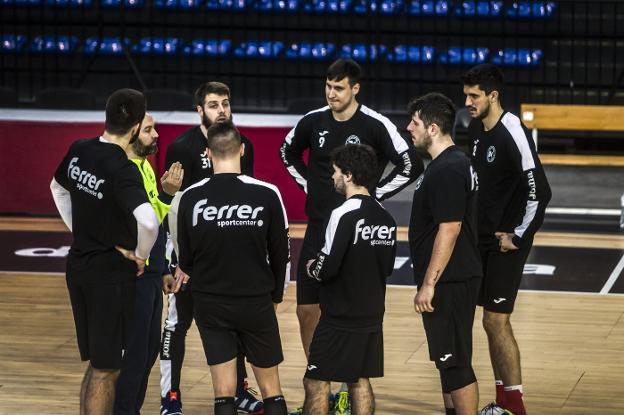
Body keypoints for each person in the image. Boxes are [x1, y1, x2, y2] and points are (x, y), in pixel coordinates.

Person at [280, 58, 422, 414]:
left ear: (355, 88)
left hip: (357, 234)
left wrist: (375, 196)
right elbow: (287, 152)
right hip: (318, 229)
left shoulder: (375, 124)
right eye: (327, 86)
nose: (331, 94)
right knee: (307, 311)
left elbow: (411, 164)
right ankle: (320, 388)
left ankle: (347, 388)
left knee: (349, 313)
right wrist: (309, 185)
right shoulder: (313, 120)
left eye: (339, 88)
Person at [49, 88, 159, 414]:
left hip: (78, 266)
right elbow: (149, 221)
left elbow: (57, 187)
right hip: (109, 277)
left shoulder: (80, 149)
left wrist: (79, 230)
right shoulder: (123, 169)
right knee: (107, 369)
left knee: (99, 362)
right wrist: (141, 253)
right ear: (137, 126)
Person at [168, 121, 290, 415]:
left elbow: (186, 259)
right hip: (256, 302)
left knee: (223, 393)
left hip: (211, 304)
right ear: (242, 150)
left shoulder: (190, 197)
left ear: (208, 153)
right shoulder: (268, 194)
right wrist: (276, 298)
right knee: (271, 390)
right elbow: (282, 256)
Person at [160, 81, 260, 415]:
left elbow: (245, 199)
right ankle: (170, 396)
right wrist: (174, 260)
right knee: (178, 324)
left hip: (228, 256)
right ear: (199, 110)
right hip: (188, 257)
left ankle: (241, 391)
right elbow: (172, 209)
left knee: (237, 322)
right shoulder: (181, 148)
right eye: (214, 104)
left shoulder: (242, 145)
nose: (222, 110)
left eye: (226, 103)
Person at [462, 64, 551, 415]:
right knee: (487, 320)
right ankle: (502, 403)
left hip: (506, 242)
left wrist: (519, 234)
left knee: (496, 320)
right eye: (466, 94)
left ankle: (515, 407)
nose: (467, 101)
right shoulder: (475, 128)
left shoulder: (512, 129)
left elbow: (539, 190)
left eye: (474, 96)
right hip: (481, 239)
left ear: (493, 95)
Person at [303, 144, 396, 415]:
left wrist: (311, 267)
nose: (332, 177)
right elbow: (387, 267)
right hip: (372, 314)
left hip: (339, 317)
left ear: (349, 175)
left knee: (316, 381)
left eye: (335, 172)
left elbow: (327, 267)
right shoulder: (386, 217)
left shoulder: (343, 213)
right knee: (359, 380)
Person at [407, 92, 482, 415]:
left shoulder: (448, 169)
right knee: (446, 358)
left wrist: (429, 283)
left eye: (415, 122)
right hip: (451, 279)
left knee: (456, 362)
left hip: (450, 280)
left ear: (433, 128)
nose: (409, 128)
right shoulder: (447, 164)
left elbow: (449, 229)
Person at [114, 113, 184, 414]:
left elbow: (156, 225)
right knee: (135, 355)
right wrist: (168, 195)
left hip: (153, 275)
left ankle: (132, 408)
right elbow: (144, 225)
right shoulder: (126, 171)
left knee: (149, 352)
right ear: (132, 134)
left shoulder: (144, 166)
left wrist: (164, 266)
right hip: (134, 277)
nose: (156, 134)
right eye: (148, 130)